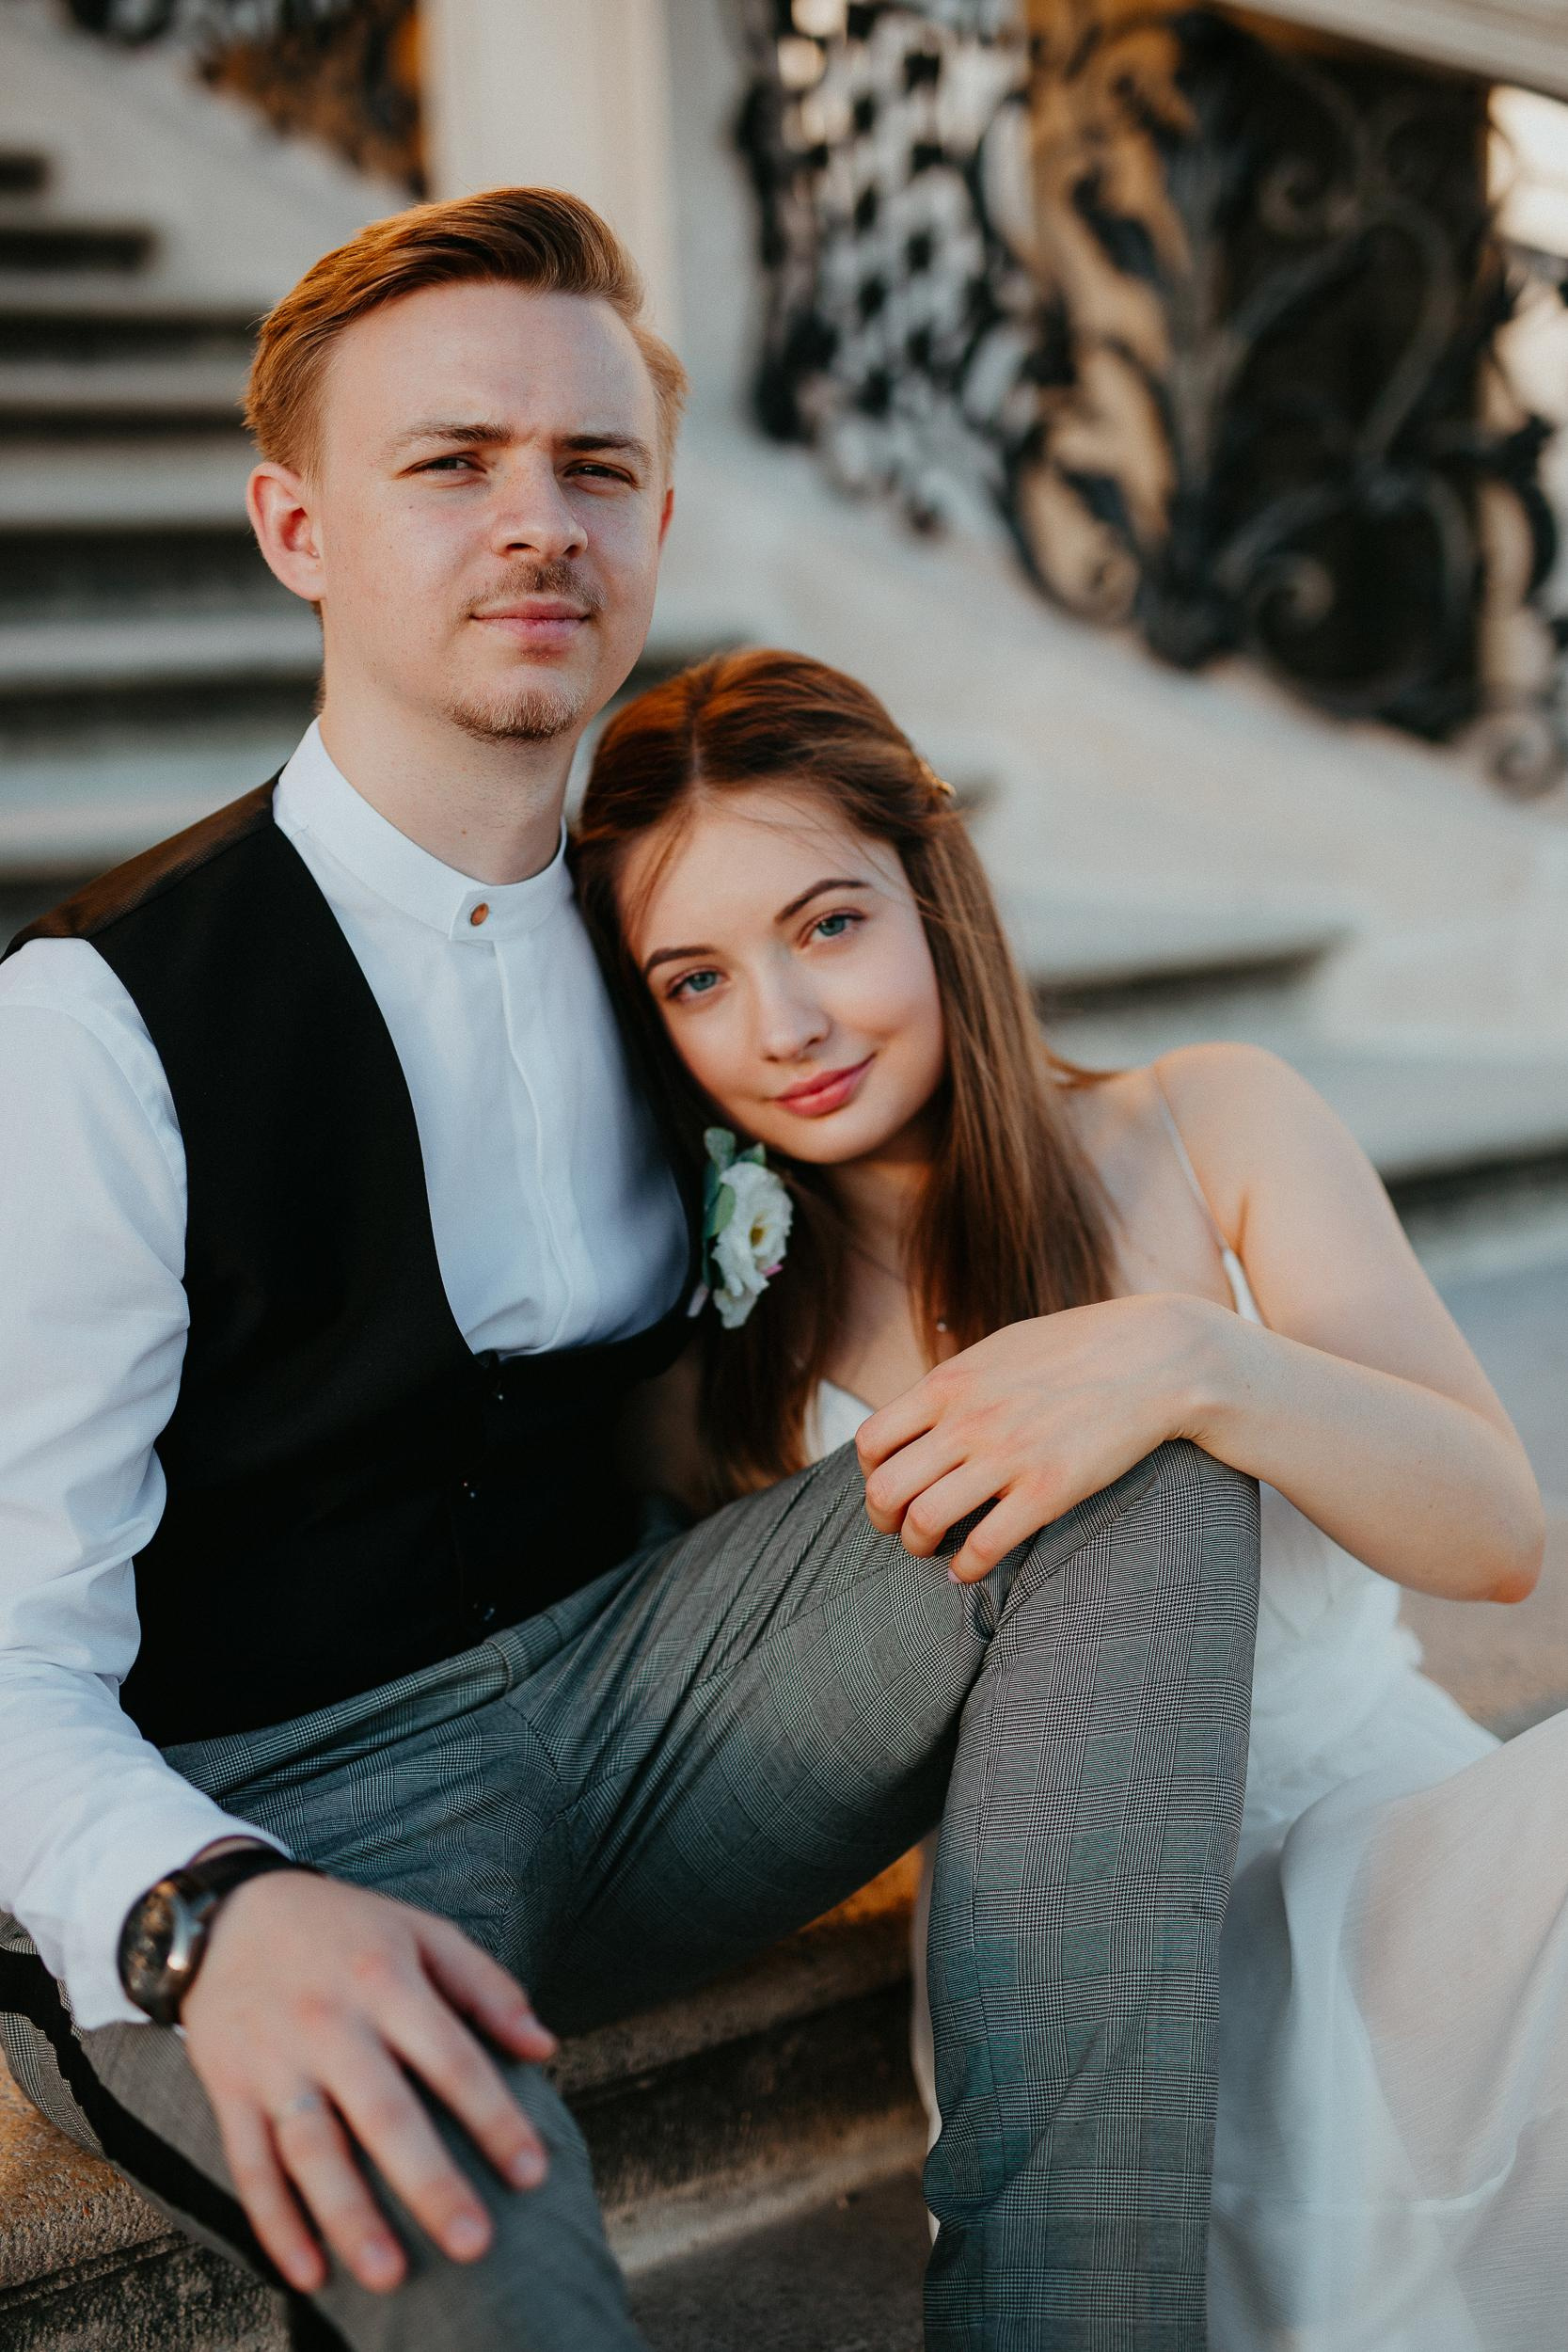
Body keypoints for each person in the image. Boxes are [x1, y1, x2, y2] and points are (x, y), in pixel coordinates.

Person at [0, 191, 1260, 2352]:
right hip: (260, 1812)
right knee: (502, 2293)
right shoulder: (99, 1024)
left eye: (594, 469)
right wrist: (208, 1916)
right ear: (296, 528)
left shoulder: (690, 938)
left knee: (1128, 1448)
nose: (538, 522)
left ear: (660, 520)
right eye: (451, 462)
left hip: (636, 1706)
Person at [574, 644, 1562, 2351]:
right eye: (695, 981)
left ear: (932, 890)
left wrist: (1205, 1363)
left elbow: (1496, 1535)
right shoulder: (715, 1344)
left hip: (1397, 1861)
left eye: (825, 926)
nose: (785, 1028)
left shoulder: (1211, 1123)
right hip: (1078, 1977)